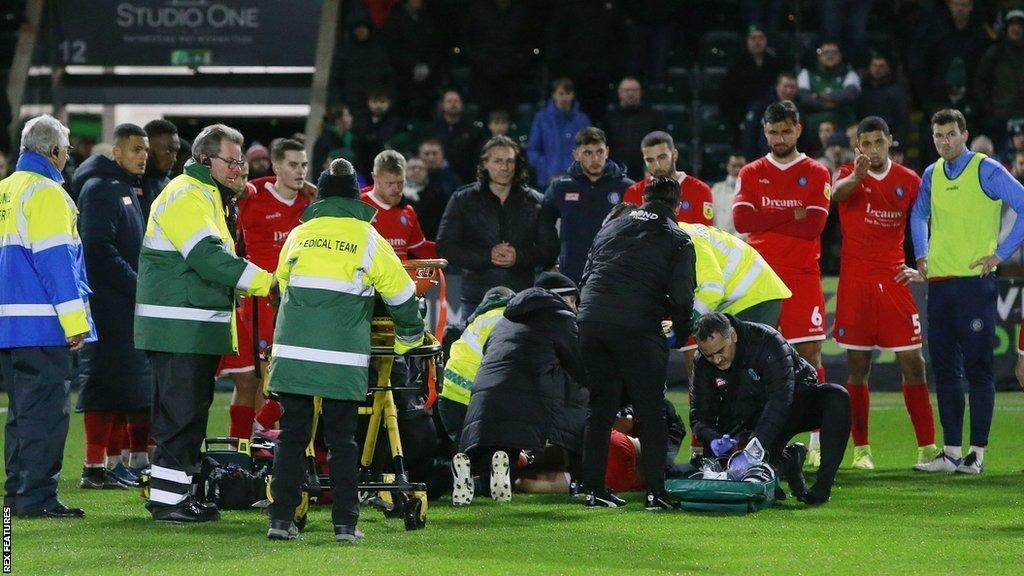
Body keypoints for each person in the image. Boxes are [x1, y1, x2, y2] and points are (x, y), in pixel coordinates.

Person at [266, 158, 424, 542]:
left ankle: (281, 521)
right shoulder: (370, 239)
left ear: (320, 195)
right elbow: (403, 296)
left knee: (291, 437)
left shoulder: (299, 234)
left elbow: (280, 286)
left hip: (294, 355)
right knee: (342, 440)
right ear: (357, 196)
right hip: (341, 359)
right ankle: (345, 526)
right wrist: (408, 339)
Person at [135, 124, 276, 523]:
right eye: (230, 161)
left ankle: (176, 496)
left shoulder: (207, 196)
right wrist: (267, 282)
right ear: (203, 160)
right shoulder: (187, 195)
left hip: (188, 328)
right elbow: (209, 259)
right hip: (179, 328)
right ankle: (169, 502)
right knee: (180, 416)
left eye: (240, 162)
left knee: (188, 415)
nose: (238, 169)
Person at [910, 108, 1024, 474]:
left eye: (950, 134)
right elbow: (918, 214)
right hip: (941, 284)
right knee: (944, 371)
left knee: (978, 370)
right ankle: (950, 452)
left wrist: (1001, 254)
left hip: (975, 284)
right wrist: (921, 252)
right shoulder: (931, 174)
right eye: (938, 136)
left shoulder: (986, 169)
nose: (944, 142)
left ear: (964, 134)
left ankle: (976, 453)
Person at [578, 177, 697, 510]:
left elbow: (587, 275)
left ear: (643, 198)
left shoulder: (611, 227)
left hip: (591, 323)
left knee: (599, 410)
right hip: (636, 327)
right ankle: (656, 493)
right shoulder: (677, 239)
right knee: (652, 412)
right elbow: (683, 297)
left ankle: (593, 490)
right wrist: (678, 334)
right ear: (678, 204)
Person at [0, 115, 93, 519]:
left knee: (21, 416)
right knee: (45, 416)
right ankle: (35, 498)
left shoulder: (5, 191)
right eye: (67, 150)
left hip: (9, 324)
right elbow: (57, 265)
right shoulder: (48, 194)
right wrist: (76, 324)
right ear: (53, 152)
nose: (68, 157)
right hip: (43, 325)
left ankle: (17, 494)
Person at [832, 116, 937, 469]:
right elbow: (835, 196)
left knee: (914, 363)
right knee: (857, 366)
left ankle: (927, 447)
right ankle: (862, 450)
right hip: (856, 284)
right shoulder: (848, 173)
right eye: (866, 143)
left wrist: (923, 263)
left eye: (879, 142)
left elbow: (926, 221)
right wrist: (858, 177)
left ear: (890, 140)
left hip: (894, 282)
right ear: (857, 146)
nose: (873, 150)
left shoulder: (910, 180)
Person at [732, 100, 833, 465]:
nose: (779, 137)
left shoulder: (817, 171)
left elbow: (813, 226)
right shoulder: (751, 171)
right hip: (760, 279)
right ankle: (753, 439)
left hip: (802, 278)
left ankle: (818, 443)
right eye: (773, 132)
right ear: (765, 132)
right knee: (751, 361)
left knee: (809, 357)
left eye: (786, 130)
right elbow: (743, 220)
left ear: (798, 129)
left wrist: (767, 216)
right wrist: (792, 212)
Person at [455, 272, 587, 505]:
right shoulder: (561, 317)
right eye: (574, 300)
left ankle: (470, 474)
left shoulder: (506, 320)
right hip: (525, 397)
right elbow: (578, 363)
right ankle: (487, 477)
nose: (576, 307)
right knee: (509, 461)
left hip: (484, 395)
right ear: (563, 298)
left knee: (492, 460)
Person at [691, 313, 851, 505]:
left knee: (836, 397)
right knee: (735, 478)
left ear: (733, 335)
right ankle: (785, 461)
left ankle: (822, 487)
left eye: (720, 351)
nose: (717, 360)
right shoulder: (702, 363)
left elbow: (781, 398)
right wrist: (712, 437)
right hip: (750, 419)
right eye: (709, 355)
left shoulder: (767, 341)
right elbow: (699, 415)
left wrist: (756, 445)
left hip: (793, 404)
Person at [74, 123, 154, 489]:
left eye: (145, 150)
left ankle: (112, 463)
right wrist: (138, 285)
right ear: (117, 152)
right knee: (106, 379)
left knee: (125, 381)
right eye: (136, 149)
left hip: (122, 302)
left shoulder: (123, 187)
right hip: (107, 303)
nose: (143, 156)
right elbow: (97, 249)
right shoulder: (101, 189)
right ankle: (93, 468)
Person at [216, 138, 312, 440]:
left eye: (304, 165)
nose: (300, 172)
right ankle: (240, 447)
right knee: (253, 380)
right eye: (293, 165)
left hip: (296, 304)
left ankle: (265, 441)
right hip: (259, 302)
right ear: (276, 167)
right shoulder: (252, 195)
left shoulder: (309, 205)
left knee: (285, 377)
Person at [436, 135, 559, 318]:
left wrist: (519, 256)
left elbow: (551, 248)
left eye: (510, 161)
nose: (505, 167)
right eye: (498, 161)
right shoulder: (463, 199)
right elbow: (445, 246)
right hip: (476, 299)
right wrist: (488, 256)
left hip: (522, 299)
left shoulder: (536, 202)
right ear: (484, 163)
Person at [542, 127, 633, 285]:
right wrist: (549, 262)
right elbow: (544, 226)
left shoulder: (626, 188)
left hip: (615, 275)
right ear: (576, 154)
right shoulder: (560, 188)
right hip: (571, 275)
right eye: (588, 153)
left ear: (607, 152)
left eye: (599, 152)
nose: (595, 159)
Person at [439, 286, 515, 446]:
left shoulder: (475, 323)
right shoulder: (509, 322)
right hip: (474, 399)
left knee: (465, 451)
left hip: (449, 397)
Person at [624, 131, 714, 226]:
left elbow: (703, 237)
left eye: (662, 157)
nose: (657, 165)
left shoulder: (700, 190)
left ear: (674, 155)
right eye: (650, 160)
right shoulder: (633, 192)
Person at [359, 150, 435, 260]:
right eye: (390, 183)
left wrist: (448, 250)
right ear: (375, 177)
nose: (396, 189)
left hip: (401, 275)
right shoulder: (358, 206)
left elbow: (421, 248)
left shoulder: (407, 211)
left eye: (400, 183)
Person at [721, 26, 783, 144]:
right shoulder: (737, 66)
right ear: (747, 41)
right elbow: (726, 98)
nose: (757, 42)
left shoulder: (775, 64)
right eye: (753, 38)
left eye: (760, 38)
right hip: (744, 120)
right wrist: (738, 121)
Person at [527, 78, 592, 187]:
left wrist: (576, 173)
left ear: (573, 95)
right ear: (554, 95)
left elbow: (589, 150)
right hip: (547, 182)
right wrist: (548, 170)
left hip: (577, 182)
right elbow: (533, 150)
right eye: (560, 93)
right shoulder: (542, 118)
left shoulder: (582, 120)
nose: (564, 97)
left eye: (567, 93)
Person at [975, 9, 1024, 144]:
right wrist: (989, 112)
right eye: (1012, 25)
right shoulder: (995, 53)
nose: (1016, 29)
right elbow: (981, 83)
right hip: (1001, 117)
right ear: (1006, 28)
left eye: (1020, 25)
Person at [601, 77, 664, 180]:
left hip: (645, 174)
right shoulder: (609, 117)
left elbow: (660, 146)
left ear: (641, 93)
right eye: (627, 90)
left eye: (634, 90)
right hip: (615, 174)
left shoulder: (653, 116)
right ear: (619, 93)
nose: (631, 94)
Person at [796, 40, 862, 137]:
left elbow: (850, 95)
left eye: (834, 53)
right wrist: (837, 101)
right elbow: (805, 100)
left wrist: (819, 95)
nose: (830, 56)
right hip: (812, 131)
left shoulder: (850, 74)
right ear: (819, 56)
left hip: (844, 129)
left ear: (840, 56)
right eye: (826, 52)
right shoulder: (806, 73)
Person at [425, 89, 487, 183]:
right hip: (437, 180)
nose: (453, 104)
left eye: (456, 101)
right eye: (449, 101)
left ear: (462, 105)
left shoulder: (474, 130)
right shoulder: (431, 130)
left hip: (468, 179)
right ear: (442, 105)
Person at [742, 71, 799, 160]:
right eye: (785, 86)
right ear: (777, 86)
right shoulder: (761, 106)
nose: (788, 91)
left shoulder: (800, 109)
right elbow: (749, 136)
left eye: (792, 87)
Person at [353, 88, 407, 177]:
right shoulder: (361, 122)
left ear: (388, 103)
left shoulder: (395, 123)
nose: (378, 105)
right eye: (374, 102)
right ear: (368, 103)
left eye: (382, 102)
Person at [402, 155, 447, 240]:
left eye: (421, 168)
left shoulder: (437, 194)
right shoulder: (396, 194)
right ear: (405, 172)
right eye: (412, 168)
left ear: (426, 172)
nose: (416, 171)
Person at [710, 153, 745, 235]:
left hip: (741, 243)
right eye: (734, 165)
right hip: (717, 240)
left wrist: (736, 243)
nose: (737, 169)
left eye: (741, 166)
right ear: (727, 166)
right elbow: (709, 216)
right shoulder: (716, 189)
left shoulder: (752, 190)